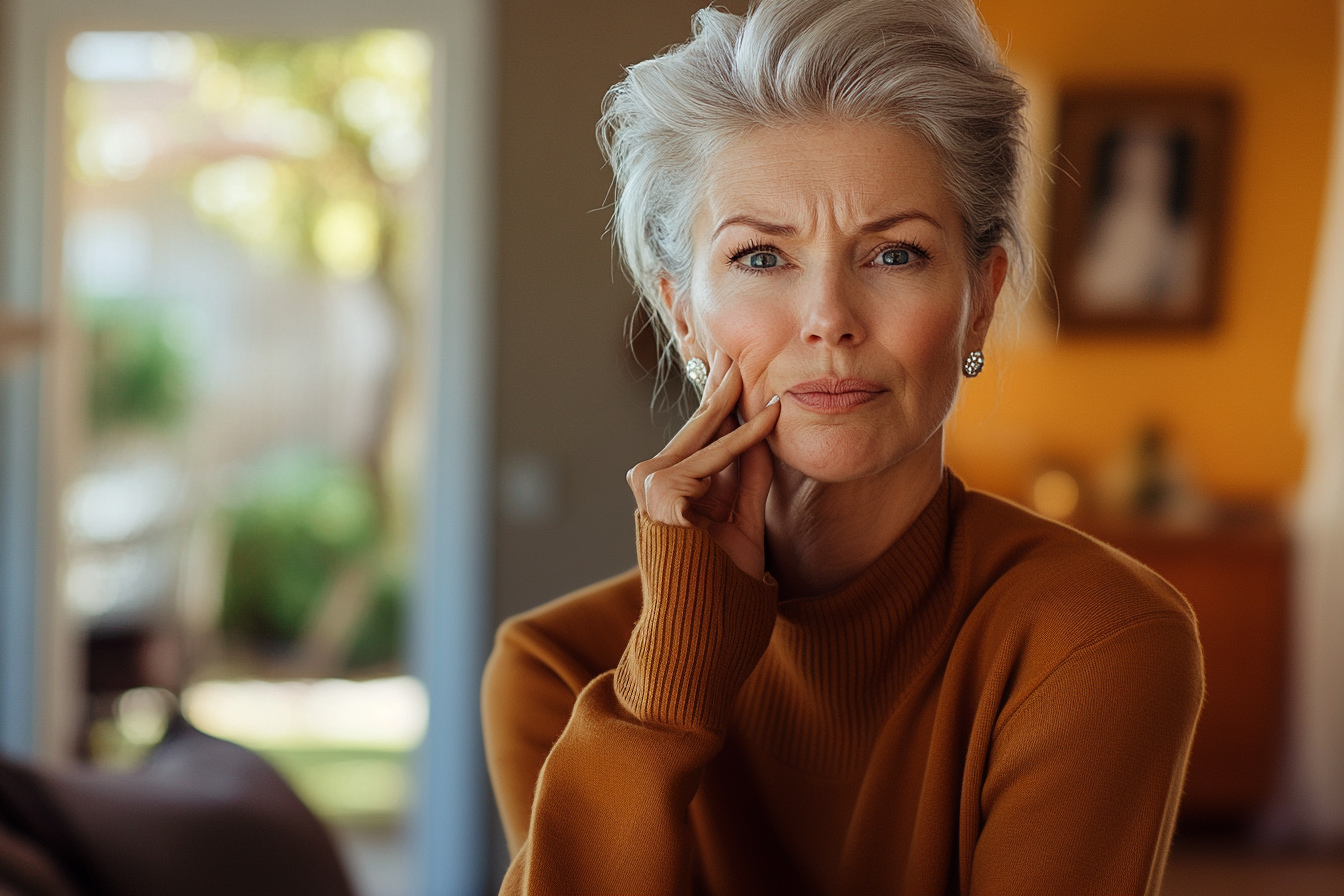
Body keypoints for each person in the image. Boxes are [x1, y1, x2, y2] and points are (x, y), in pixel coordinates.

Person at [482, 1, 1203, 893]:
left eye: (895, 254)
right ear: (680, 313)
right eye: (760, 257)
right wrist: (663, 700)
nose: (830, 319)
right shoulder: (558, 666)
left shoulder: (1095, 636)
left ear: (982, 298)